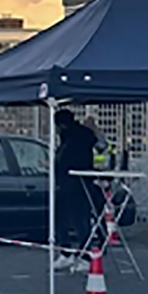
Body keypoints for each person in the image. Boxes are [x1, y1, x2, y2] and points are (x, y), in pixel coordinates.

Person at [53, 109, 97, 271]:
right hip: (75, 182)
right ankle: (69, 253)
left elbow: (65, 159)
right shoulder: (80, 136)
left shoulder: (74, 138)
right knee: (69, 219)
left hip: (75, 183)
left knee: (78, 221)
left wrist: (55, 165)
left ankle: (82, 255)